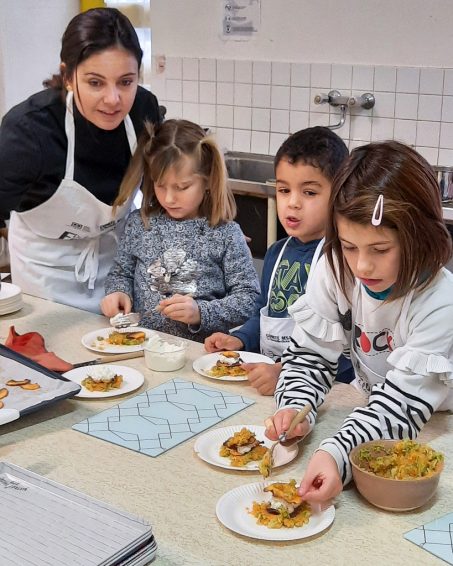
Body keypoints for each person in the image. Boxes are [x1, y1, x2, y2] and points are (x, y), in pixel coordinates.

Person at [265, 140, 453, 505]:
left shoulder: (440, 299)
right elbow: (309, 356)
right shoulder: (336, 266)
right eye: (350, 246)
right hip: (373, 414)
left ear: (420, 238)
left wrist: (336, 453)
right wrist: (294, 405)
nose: (362, 266)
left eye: (380, 250)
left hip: (435, 424)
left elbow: (401, 408)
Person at [0, 8, 161, 312]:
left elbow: (163, 188)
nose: (113, 99)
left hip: (114, 273)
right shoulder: (30, 131)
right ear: (68, 76)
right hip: (43, 276)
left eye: (126, 82)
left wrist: (207, 227)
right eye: (96, 83)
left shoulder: (143, 111)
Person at [205, 127, 350, 394]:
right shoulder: (277, 252)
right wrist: (239, 339)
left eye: (309, 193)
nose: (292, 203)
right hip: (269, 377)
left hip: (324, 389)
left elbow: (343, 349)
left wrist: (288, 372)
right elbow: (265, 311)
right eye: (284, 190)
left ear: (340, 194)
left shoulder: (343, 260)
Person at [100, 119, 260, 342]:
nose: (169, 198)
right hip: (140, 345)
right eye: (160, 184)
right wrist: (117, 293)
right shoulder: (140, 223)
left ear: (207, 181)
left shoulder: (225, 234)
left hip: (198, 356)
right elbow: (121, 273)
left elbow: (249, 300)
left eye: (182, 187)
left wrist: (200, 313)